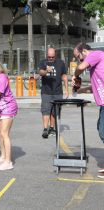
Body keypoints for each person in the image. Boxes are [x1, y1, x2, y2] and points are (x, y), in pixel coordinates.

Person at [72, 43, 104, 178]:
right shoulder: (96, 65)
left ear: (84, 51)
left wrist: (75, 75)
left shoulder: (95, 54)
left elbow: (80, 68)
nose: (80, 60)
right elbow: (95, 86)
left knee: (103, 131)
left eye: (79, 57)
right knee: (100, 128)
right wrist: (80, 90)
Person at [38, 48, 68, 139]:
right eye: (49, 57)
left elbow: (64, 76)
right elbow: (40, 72)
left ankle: (52, 128)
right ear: (47, 55)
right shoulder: (43, 62)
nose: (50, 58)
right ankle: (45, 129)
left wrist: (67, 89)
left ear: (55, 55)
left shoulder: (60, 63)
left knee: (55, 112)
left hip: (58, 91)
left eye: (52, 57)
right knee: (46, 110)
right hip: (46, 91)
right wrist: (47, 70)